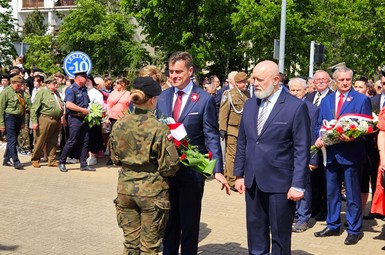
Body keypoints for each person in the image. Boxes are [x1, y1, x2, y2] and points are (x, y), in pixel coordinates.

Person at [156, 51, 230, 255]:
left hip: (192, 172)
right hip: (167, 171)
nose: (173, 76)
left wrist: (217, 169)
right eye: (170, 71)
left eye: (178, 71)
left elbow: (211, 136)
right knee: (169, 224)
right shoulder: (163, 97)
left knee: (189, 224)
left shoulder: (204, 99)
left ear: (190, 71)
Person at [233, 60, 310, 254]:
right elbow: (243, 141)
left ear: (276, 80)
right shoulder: (250, 105)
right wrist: (239, 174)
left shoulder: (295, 107)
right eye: (253, 78)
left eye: (259, 79)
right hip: (253, 182)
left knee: (280, 236)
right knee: (255, 233)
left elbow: (302, 149)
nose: (254, 83)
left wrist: (298, 184)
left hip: (281, 183)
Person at [110, 76, 179, 255]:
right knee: (149, 248)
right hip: (152, 192)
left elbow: (114, 157)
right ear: (152, 99)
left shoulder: (119, 124)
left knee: (131, 245)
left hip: (125, 189)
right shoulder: (159, 128)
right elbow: (168, 166)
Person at [313, 67, 371, 245]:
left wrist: (353, 135)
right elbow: (318, 125)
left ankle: (354, 229)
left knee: (352, 194)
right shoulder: (327, 100)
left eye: (348, 80)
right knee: (331, 192)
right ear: (334, 81)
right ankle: (333, 224)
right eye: (341, 80)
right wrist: (319, 137)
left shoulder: (361, 100)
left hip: (352, 154)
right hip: (330, 154)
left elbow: (368, 128)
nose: (345, 83)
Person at [288, 77, 319, 233]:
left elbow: (313, 136)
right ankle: (291, 215)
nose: (294, 93)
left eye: (298, 90)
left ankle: (303, 218)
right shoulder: (284, 107)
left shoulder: (311, 109)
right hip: (286, 156)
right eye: (292, 90)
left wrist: (312, 158)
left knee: (303, 186)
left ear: (305, 90)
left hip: (304, 156)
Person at [305, 70, 334, 222]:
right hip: (310, 144)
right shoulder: (309, 97)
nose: (321, 82)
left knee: (325, 179)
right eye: (318, 80)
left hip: (327, 145)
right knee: (312, 178)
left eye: (324, 79)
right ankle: (313, 208)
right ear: (314, 83)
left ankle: (325, 209)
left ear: (329, 81)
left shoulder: (333, 97)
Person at [219, 71, 250, 190]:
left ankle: (231, 175)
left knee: (241, 154)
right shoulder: (229, 94)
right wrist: (222, 128)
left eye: (246, 82)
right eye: (242, 82)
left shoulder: (247, 94)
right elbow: (223, 112)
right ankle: (231, 181)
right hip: (232, 130)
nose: (245, 84)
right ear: (236, 83)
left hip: (244, 130)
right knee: (232, 155)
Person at [58, 71, 95, 172]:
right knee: (72, 141)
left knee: (85, 141)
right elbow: (69, 105)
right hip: (75, 118)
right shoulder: (71, 90)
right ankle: (62, 162)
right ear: (79, 78)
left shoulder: (84, 89)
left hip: (85, 118)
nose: (87, 80)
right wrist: (83, 110)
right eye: (85, 78)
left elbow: (87, 104)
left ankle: (83, 164)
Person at [30, 76, 64, 168]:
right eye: (54, 83)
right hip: (45, 119)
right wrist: (34, 121)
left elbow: (60, 105)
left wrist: (61, 117)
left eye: (57, 83)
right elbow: (34, 108)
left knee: (53, 141)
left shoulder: (56, 92)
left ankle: (51, 160)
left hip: (56, 120)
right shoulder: (42, 92)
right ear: (48, 84)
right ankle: (35, 159)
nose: (56, 85)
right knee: (40, 139)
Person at [0, 75, 28, 170]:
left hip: (19, 118)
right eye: (18, 85)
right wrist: (1, 123)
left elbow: (23, 107)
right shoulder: (6, 92)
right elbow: (1, 108)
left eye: (21, 85)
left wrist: (23, 121)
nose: (20, 87)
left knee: (13, 139)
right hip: (9, 117)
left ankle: (6, 159)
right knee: (12, 140)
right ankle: (16, 161)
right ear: (13, 83)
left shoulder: (21, 92)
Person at [106, 77, 131, 166]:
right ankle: (111, 157)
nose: (115, 84)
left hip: (123, 118)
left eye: (117, 83)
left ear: (123, 84)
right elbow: (108, 104)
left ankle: (121, 157)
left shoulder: (128, 94)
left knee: (122, 138)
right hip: (113, 117)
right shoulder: (112, 93)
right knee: (112, 137)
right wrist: (108, 115)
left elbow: (130, 106)